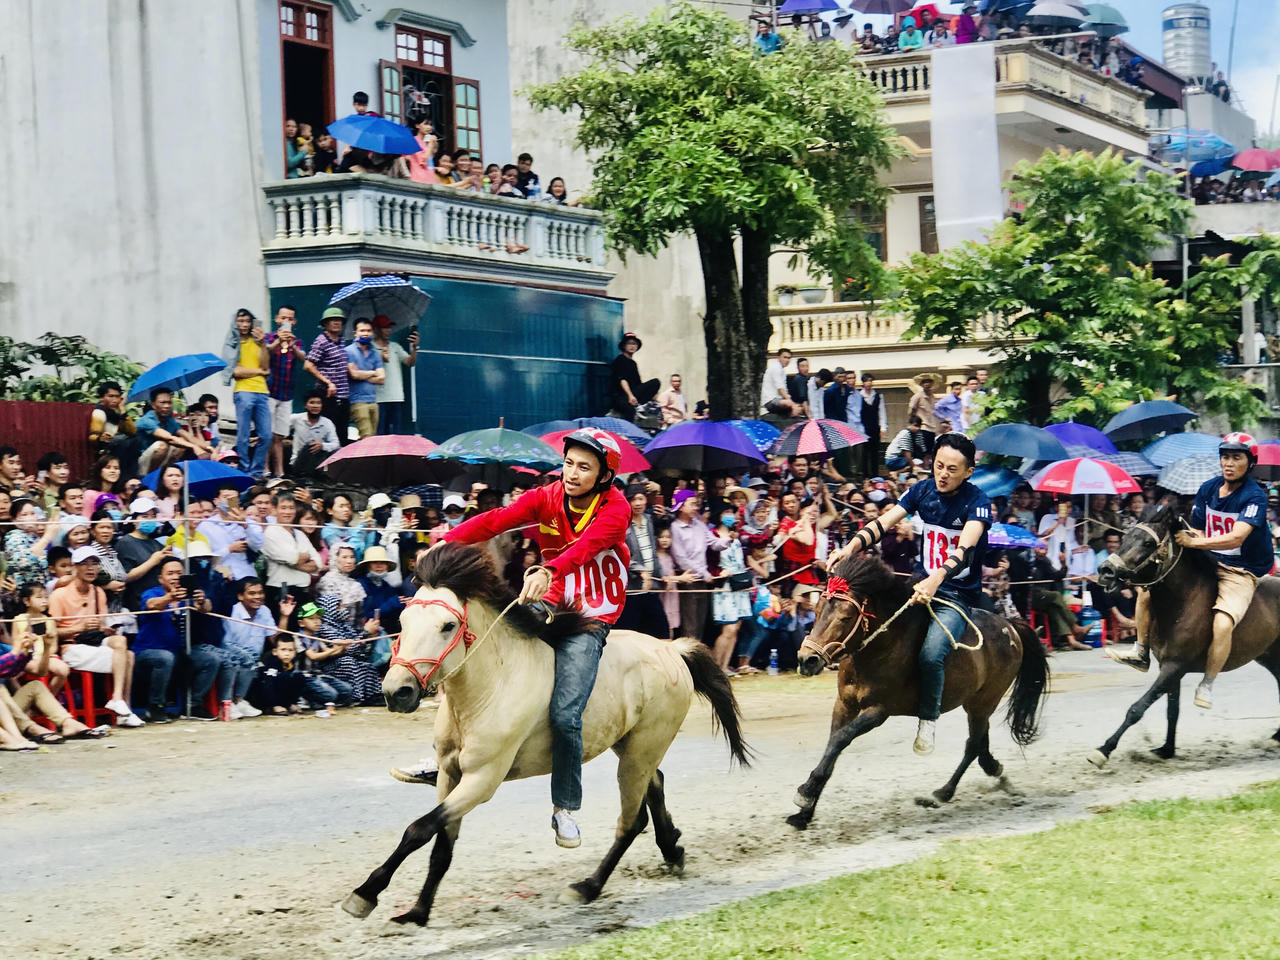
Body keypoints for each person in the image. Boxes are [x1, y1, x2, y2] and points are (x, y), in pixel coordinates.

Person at [401, 429, 631, 849]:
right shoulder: (545, 496)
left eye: (584, 467)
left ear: (603, 476)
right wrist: (441, 542)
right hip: (549, 597)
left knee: (565, 713)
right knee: (477, 651)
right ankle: (445, 757)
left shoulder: (617, 509)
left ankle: (565, 806)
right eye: (569, 463)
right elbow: (493, 522)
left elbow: (585, 548)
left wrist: (549, 569)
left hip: (592, 614)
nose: (572, 473)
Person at [832, 433, 992, 756]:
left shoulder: (979, 504)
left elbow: (964, 550)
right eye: (938, 466)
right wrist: (851, 546)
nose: (943, 474)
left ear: (969, 472)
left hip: (955, 593)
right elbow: (883, 523)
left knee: (932, 653)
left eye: (952, 469)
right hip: (919, 583)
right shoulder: (921, 491)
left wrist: (937, 579)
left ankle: (928, 720)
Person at [1113, 434, 1272, 710]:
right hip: (1211, 560)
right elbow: (1197, 528)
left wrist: (1195, 541)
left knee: (1223, 623)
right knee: (1147, 592)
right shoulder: (1209, 488)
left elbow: (1236, 538)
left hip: (1241, 571)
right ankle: (1140, 651)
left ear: (1250, 462)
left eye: (1237, 457)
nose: (1229, 463)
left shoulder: (1255, 496)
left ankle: (1207, 682)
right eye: (1225, 457)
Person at [49, 546, 144, 726]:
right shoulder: (59, 595)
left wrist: (106, 629)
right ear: (75, 567)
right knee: (127, 657)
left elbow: (101, 626)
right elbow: (53, 633)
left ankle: (119, 701)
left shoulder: (97, 592)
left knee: (121, 643)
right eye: (85, 564)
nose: (90, 568)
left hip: (93, 643)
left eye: (94, 563)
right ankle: (123, 708)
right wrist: (79, 626)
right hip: (72, 647)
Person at [219, 308, 273, 479]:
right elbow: (235, 371)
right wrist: (259, 372)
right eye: (240, 321)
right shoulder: (232, 343)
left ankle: (256, 471)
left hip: (262, 391)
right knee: (243, 435)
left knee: (266, 435)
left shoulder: (257, 341)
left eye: (247, 321)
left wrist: (263, 344)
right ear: (235, 323)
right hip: (243, 391)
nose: (244, 325)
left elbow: (266, 367)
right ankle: (243, 470)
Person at [670, 489, 729, 641]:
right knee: (690, 624)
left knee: (701, 622)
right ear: (681, 506)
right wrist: (705, 574)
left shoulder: (699, 525)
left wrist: (728, 538)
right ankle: (689, 662)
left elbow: (714, 544)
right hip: (688, 580)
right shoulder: (675, 528)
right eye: (692, 504)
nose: (696, 507)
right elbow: (680, 558)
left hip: (703, 581)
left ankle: (698, 659)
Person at [265, 303, 308, 478]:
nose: (286, 321)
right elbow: (265, 353)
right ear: (276, 319)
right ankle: (265, 469)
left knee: (279, 436)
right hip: (268, 392)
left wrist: (292, 345)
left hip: (286, 394)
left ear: (295, 321)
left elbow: (303, 358)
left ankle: (280, 472)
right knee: (266, 433)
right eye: (283, 318)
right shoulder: (269, 337)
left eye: (290, 319)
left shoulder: (297, 341)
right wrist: (278, 341)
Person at [304, 306, 352, 445]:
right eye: (332, 320)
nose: (336, 323)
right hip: (328, 396)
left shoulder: (341, 341)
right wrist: (327, 382)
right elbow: (308, 365)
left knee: (342, 435)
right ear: (325, 323)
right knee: (328, 435)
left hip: (343, 397)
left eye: (339, 320)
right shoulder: (321, 341)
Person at [136, 388, 210, 474]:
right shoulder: (146, 420)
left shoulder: (169, 420)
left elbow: (187, 436)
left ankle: (165, 474)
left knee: (181, 444)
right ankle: (151, 477)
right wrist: (195, 447)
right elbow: (170, 438)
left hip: (157, 462)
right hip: (139, 463)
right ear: (153, 405)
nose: (167, 406)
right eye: (162, 403)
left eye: (169, 402)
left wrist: (210, 449)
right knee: (162, 445)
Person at [372, 316, 418, 435]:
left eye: (389, 327)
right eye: (384, 327)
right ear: (376, 329)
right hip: (378, 398)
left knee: (395, 434)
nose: (388, 330)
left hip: (396, 396)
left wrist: (414, 347)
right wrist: (380, 358)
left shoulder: (395, 346)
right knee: (380, 434)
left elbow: (410, 362)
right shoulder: (370, 347)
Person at [345, 319, 386, 438]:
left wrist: (362, 374)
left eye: (368, 331)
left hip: (373, 401)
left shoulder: (375, 353)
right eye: (362, 330)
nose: (366, 333)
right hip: (357, 402)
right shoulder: (348, 351)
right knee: (366, 437)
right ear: (355, 333)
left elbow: (382, 378)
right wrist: (373, 373)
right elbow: (354, 375)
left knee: (373, 438)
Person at [609, 333, 660, 421]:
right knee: (630, 413)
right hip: (622, 397)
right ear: (624, 346)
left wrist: (652, 396)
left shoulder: (633, 363)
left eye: (634, 344)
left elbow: (639, 384)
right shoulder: (620, 360)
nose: (632, 346)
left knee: (655, 382)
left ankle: (640, 406)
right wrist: (630, 396)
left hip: (634, 394)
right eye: (629, 343)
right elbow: (622, 380)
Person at [88, 380, 138, 469]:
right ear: (102, 398)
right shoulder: (99, 412)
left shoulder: (114, 415)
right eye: (111, 396)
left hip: (116, 448)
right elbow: (92, 436)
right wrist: (100, 438)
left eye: (117, 397)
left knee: (134, 440)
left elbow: (132, 431)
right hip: (105, 451)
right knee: (121, 440)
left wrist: (122, 409)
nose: (115, 400)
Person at [848, 373, 888, 479]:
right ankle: (865, 476)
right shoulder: (859, 396)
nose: (868, 383)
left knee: (875, 452)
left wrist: (883, 427)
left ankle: (875, 475)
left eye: (870, 381)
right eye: (866, 381)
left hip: (875, 427)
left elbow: (882, 412)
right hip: (862, 428)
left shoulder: (878, 396)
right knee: (864, 454)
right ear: (863, 383)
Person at [760, 347, 802, 417]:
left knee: (798, 407)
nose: (787, 360)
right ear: (778, 357)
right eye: (785, 357)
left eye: (789, 358)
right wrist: (792, 403)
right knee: (793, 407)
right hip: (771, 400)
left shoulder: (781, 370)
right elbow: (781, 389)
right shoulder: (776, 368)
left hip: (777, 399)